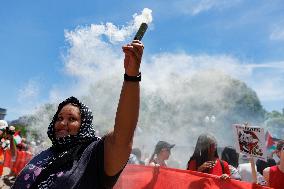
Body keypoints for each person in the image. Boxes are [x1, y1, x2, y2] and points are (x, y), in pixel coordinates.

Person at [12, 40, 144, 189]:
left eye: (72, 119)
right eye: (59, 118)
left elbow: (123, 136)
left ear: (84, 126)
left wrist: (131, 76)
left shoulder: (94, 154)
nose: (62, 123)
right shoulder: (47, 153)